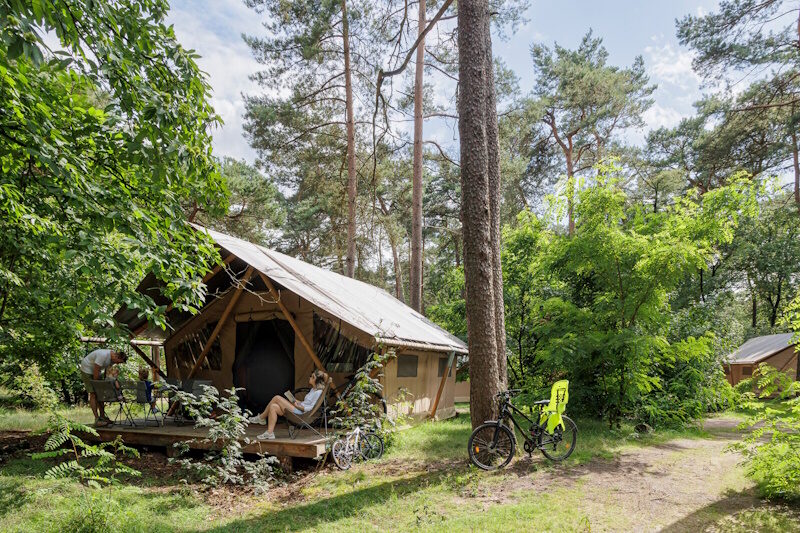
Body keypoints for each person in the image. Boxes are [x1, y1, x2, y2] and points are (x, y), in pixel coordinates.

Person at [249, 369, 327, 440]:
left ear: (316, 380)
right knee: (273, 407)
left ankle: (261, 417)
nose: (310, 377)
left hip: (300, 413)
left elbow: (310, 407)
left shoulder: (318, 392)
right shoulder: (313, 390)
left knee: (277, 398)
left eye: (312, 377)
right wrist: (295, 400)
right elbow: (306, 403)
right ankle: (270, 433)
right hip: (298, 409)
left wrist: (297, 406)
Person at [79, 348, 128, 426]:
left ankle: (102, 417)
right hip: (87, 370)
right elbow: (96, 370)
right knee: (93, 394)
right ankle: (97, 419)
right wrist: (97, 384)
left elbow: (106, 371)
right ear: (117, 357)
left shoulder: (112, 360)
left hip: (95, 371)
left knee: (100, 394)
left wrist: (105, 381)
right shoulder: (103, 355)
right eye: (119, 362)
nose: (118, 364)